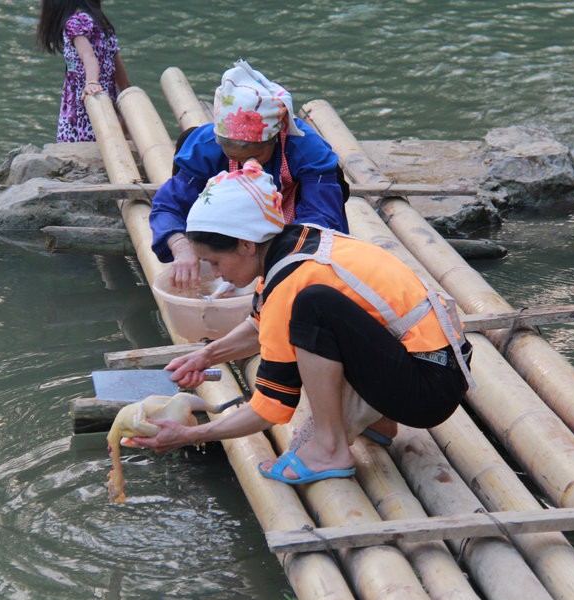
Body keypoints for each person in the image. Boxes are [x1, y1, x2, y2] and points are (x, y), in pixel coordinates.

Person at [127, 160, 475, 485]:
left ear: (247, 246)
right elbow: (261, 323)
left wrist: (191, 435)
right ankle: (379, 419)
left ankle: (329, 449)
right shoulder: (294, 245)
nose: (217, 275)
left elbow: (269, 410)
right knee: (319, 309)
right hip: (436, 365)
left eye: (216, 262)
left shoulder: (293, 283)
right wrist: (206, 357)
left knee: (314, 308)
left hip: (428, 390)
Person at [149, 60, 350, 288]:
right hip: (235, 246)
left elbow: (320, 219)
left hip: (294, 239)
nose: (248, 164)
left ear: (275, 137)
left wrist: (274, 265)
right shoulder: (204, 147)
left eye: (256, 155)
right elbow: (168, 206)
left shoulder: (307, 149)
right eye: (235, 157)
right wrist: (181, 246)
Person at [36, 0, 130, 142]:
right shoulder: (100, 21)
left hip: (83, 104)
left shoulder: (74, 23)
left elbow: (88, 56)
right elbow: (116, 62)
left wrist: (91, 82)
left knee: (76, 142)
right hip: (106, 100)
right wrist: (126, 93)